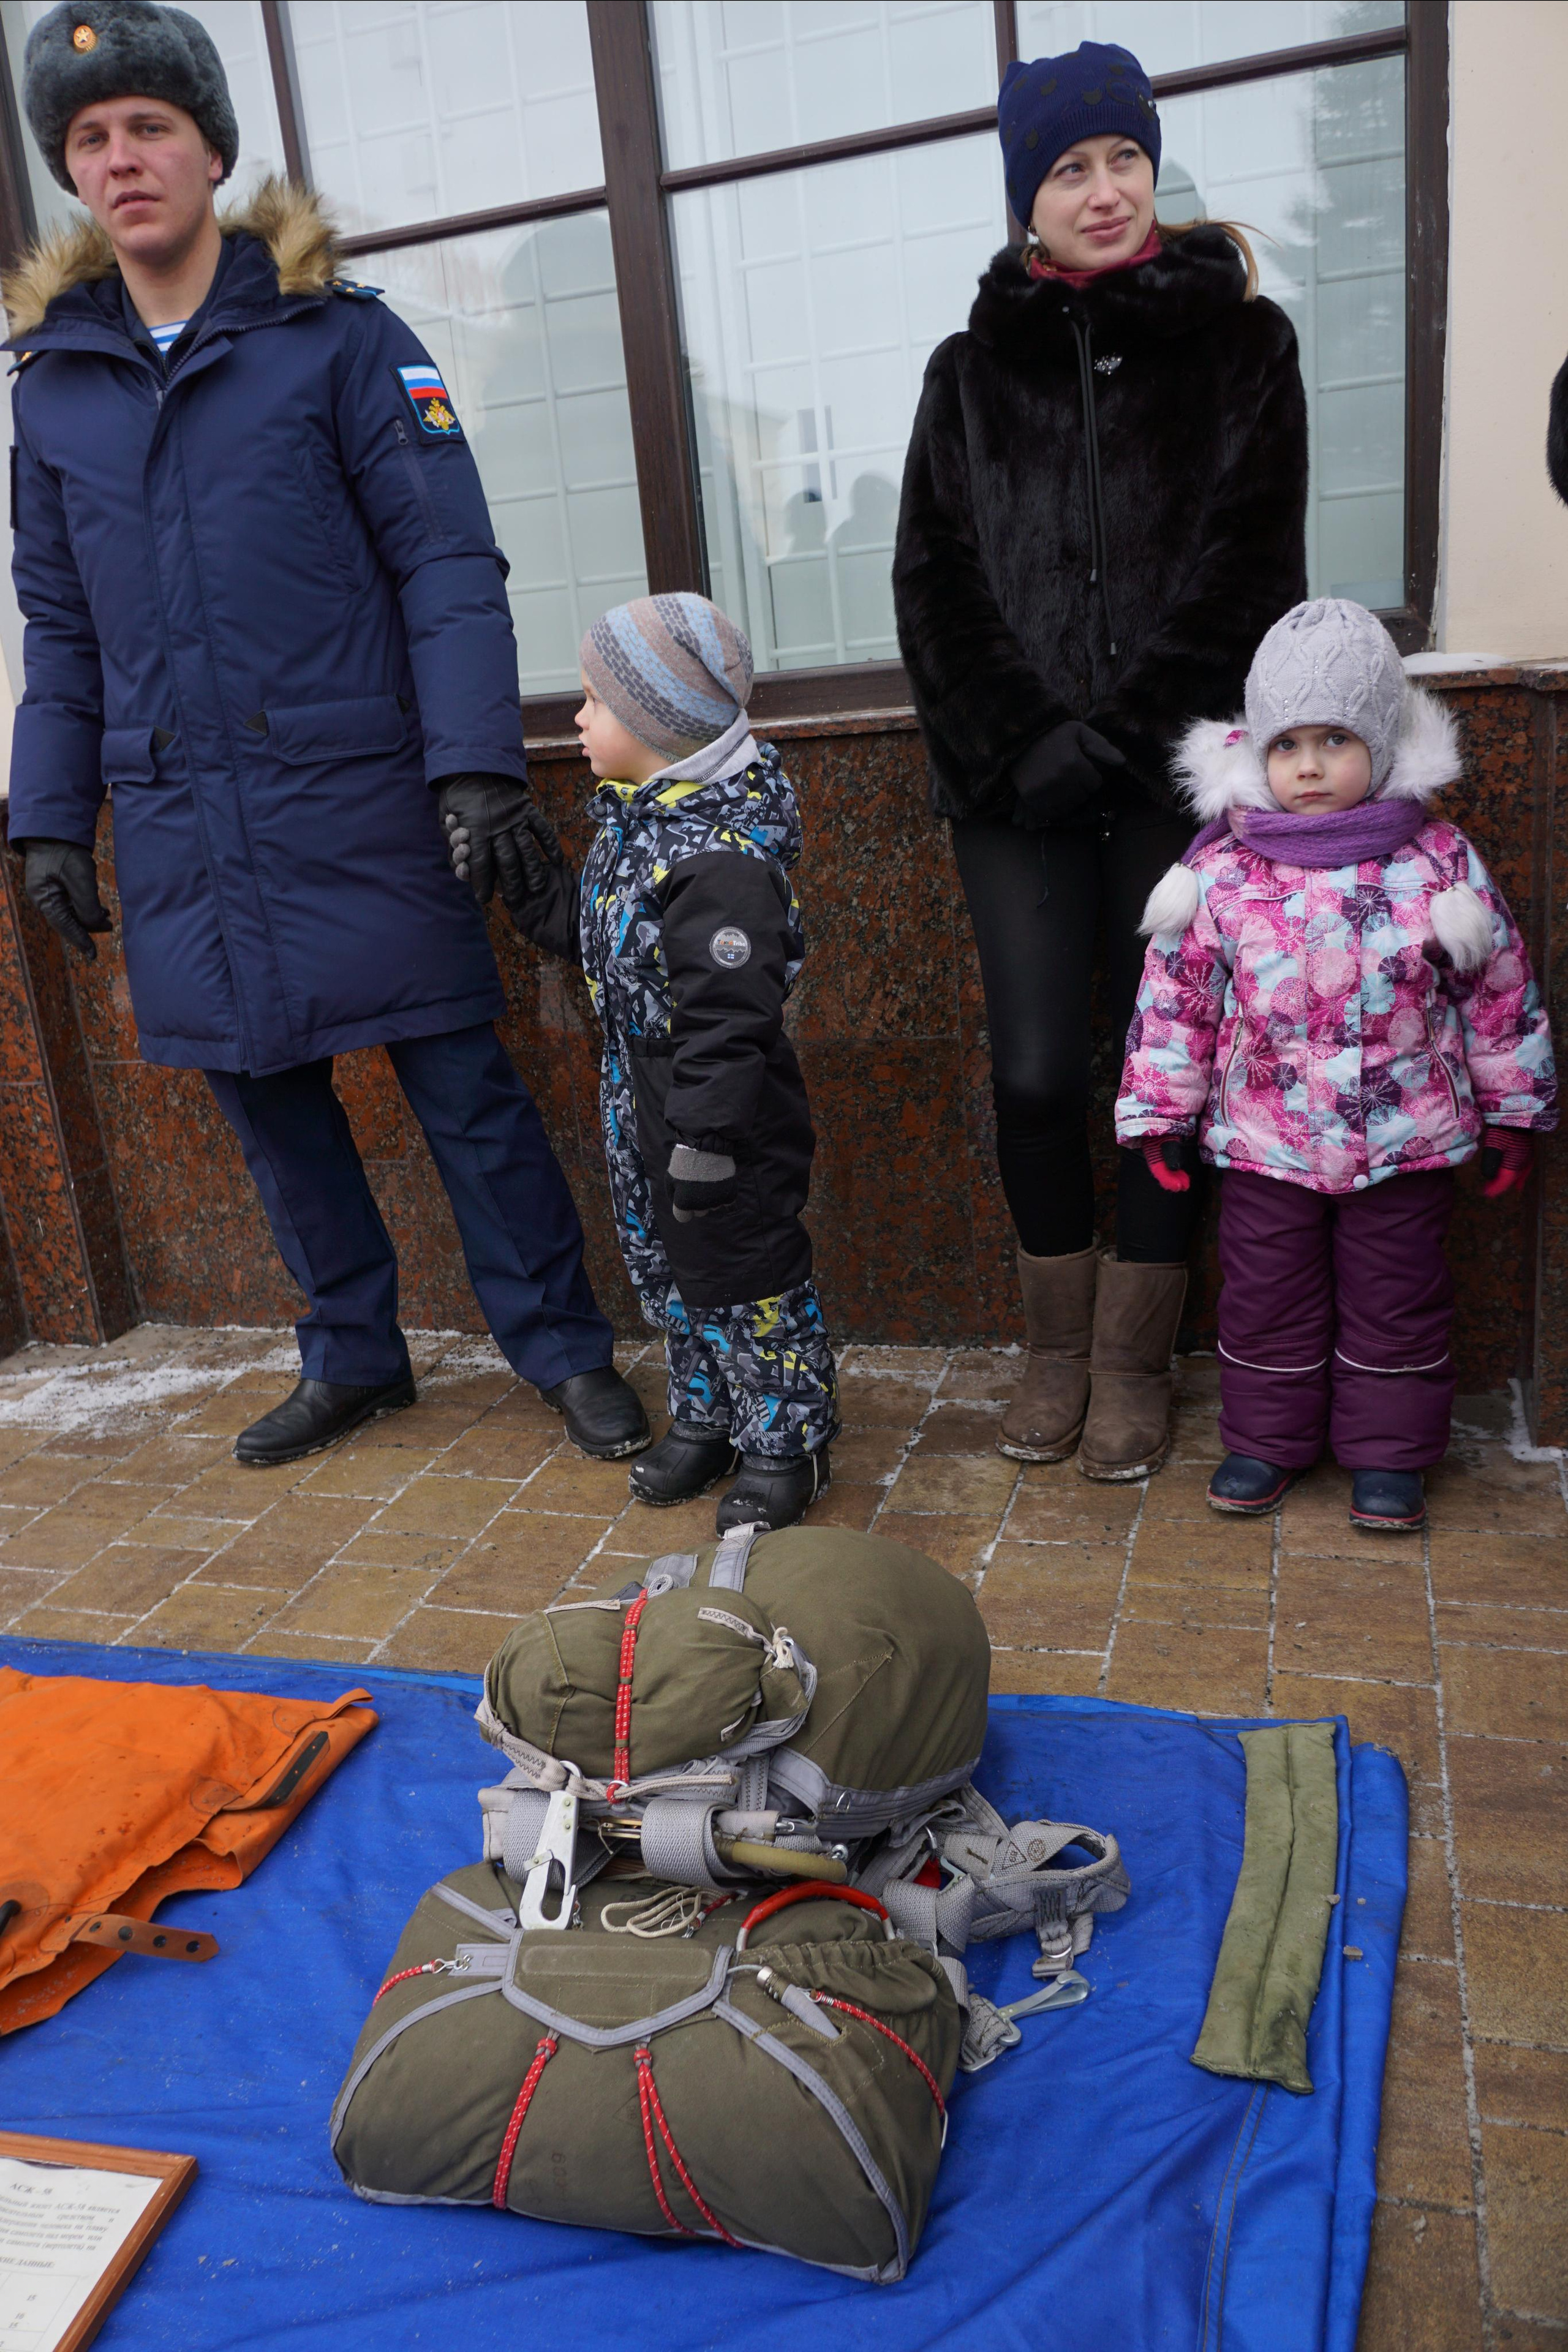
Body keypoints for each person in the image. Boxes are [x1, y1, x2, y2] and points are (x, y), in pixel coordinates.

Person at [4, 0, 649, 1468]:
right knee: (269, 1106)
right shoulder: (53, 393)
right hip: (178, 816)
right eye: (90, 140)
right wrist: (46, 814)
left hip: (357, 792)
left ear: (212, 151)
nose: (122, 159)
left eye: (150, 127)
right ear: (74, 174)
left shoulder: (340, 341)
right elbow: (62, 628)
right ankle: (351, 1351)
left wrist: (477, 766)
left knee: (466, 1097)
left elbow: (445, 563)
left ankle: (560, 1351)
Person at [893, 39, 1308, 1482]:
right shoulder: (963, 373)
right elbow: (932, 579)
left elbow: (1248, 566)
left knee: (1159, 1072)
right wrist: (1025, 742)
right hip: (1010, 786)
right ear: (1027, 200)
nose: (1103, 188)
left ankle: (1133, 1362)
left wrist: (1122, 739)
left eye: (1122, 157)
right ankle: (1051, 1347)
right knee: (1028, 1073)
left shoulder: (1243, 347)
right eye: (1068, 168)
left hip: (1174, 775)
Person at [1116, 599, 1558, 1532]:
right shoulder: (1224, 874)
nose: (1308, 767)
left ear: (1385, 746)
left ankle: (1388, 1455)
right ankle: (1266, 1439)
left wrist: (1516, 1109)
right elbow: (1178, 1000)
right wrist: (1160, 1112)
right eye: (1287, 745)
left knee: (1397, 1296)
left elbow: (1498, 991)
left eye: (1334, 740)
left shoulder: (1438, 864)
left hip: (1404, 1138)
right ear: (1257, 751)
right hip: (1267, 1140)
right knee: (1267, 1292)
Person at [499, 594, 839, 1533]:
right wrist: (541, 898)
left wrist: (707, 1135)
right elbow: (613, 939)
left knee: (744, 1271)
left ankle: (788, 1438)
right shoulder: (641, 818)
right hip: (642, 1091)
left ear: (658, 724)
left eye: (592, 702)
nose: (576, 719)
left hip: (718, 1109)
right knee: (669, 1267)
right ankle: (711, 1415)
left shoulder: (720, 856)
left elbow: (731, 1014)